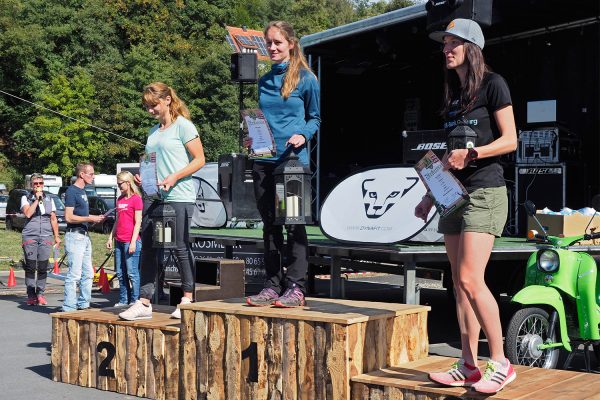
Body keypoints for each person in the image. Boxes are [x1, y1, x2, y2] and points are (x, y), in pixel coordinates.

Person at [414, 19, 518, 394]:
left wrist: (473, 152)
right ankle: (468, 364)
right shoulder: (455, 95)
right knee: (459, 285)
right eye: (443, 44)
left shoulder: (494, 84)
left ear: (471, 46)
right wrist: (430, 194)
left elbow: (510, 141)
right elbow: (449, 156)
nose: (446, 49)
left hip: (484, 194)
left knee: (473, 280)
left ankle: (501, 363)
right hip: (453, 196)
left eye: (452, 43)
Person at [245, 21, 320, 308]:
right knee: (270, 225)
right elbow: (261, 120)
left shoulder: (306, 78)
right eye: (269, 43)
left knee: (294, 223)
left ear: (290, 43)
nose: (272, 48)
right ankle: (272, 285)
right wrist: (251, 136)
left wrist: (303, 134)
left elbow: (315, 118)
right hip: (263, 159)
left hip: (292, 162)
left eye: (277, 42)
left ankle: (297, 287)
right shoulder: (263, 81)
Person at [119, 82, 205, 321]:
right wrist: (144, 177)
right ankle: (144, 301)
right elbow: (152, 164)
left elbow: (200, 160)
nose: (150, 110)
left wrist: (175, 176)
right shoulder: (152, 132)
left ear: (167, 100)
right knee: (149, 248)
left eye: (153, 105)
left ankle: (187, 298)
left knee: (179, 247)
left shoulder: (184, 127)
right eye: (147, 106)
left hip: (180, 195)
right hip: (154, 198)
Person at [63, 163, 105, 311]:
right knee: (74, 274)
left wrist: (93, 218)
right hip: (74, 236)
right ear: (82, 174)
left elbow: (82, 215)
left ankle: (84, 304)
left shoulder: (83, 191)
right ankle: (69, 307)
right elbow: (68, 217)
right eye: (91, 174)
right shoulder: (72, 191)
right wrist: (89, 218)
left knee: (88, 273)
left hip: (84, 236)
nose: (93, 177)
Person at [21, 173, 61, 306]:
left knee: (43, 267)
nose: (38, 186)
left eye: (40, 184)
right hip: (30, 236)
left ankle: (40, 293)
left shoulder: (50, 198)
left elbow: (53, 218)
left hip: (46, 236)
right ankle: (31, 293)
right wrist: (37, 200)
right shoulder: (25, 198)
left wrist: (57, 236)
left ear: (43, 185)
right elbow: (28, 213)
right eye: (35, 184)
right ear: (31, 185)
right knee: (31, 266)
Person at [106, 171, 143, 307]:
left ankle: (135, 300)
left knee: (132, 273)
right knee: (121, 273)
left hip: (130, 241)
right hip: (119, 241)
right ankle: (123, 300)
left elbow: (138, 222)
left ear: (128, 183)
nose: (119, 186)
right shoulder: (120, 199)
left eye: (120, 184)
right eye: (117, 184)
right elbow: (118, 220)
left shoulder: (136, 199)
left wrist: (133, 242)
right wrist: (111, 237)